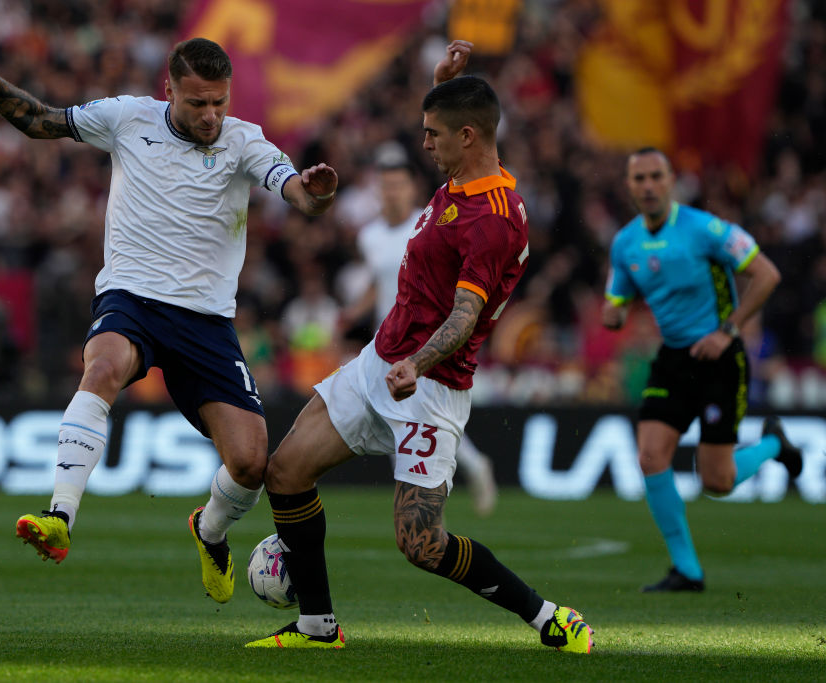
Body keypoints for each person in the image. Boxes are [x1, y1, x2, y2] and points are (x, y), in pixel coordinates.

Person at [0, 37, 338, 604]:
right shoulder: (127, 118)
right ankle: (60, 516)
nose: (210, 116)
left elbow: (298, 193)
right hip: (132, 297)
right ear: (169, 91)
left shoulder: (244, 141)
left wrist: (318, 194)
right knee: (102, 367)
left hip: (206, 320)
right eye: (198, 103)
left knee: (252, 464)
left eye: (219, 103)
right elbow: (42, 121)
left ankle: (209, 531)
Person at [245, 41, 593, 652]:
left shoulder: (495, 221)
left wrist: (417, 363)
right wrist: (439, 82)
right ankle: (317, 627)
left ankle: (547, 618)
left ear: (467, 136)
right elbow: (459, 115)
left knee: (422, 545)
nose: (422, 143)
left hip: (428, 387)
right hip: (380, 360)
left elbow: (465, 316)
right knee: (286, 471)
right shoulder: (461, 171)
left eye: (433, 134)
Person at [602, 147, 803, 592]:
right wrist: (613, 313)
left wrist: (728, 331)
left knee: (717, 480)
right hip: (673, 359)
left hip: (720, 358)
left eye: (657, 177)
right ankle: (687, 570)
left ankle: (773, 443)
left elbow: (766, 274)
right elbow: (616, 296)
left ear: (672, 180)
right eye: (640, 179)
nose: (649, 186)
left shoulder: (706, 230)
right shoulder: (625, 243)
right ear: (629, 186)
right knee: (650, 456)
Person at [343, 150, 499, 516]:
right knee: (403, 421)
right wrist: (350, 313)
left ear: (411, 187)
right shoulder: (370, 236)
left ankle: (441, 491)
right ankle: (457, 477)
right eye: (385, 185)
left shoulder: (427, 226)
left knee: (417, 419)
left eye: (398, 184)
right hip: (387, 341)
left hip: (422, 341)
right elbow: (378, 283)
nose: (391, 192)